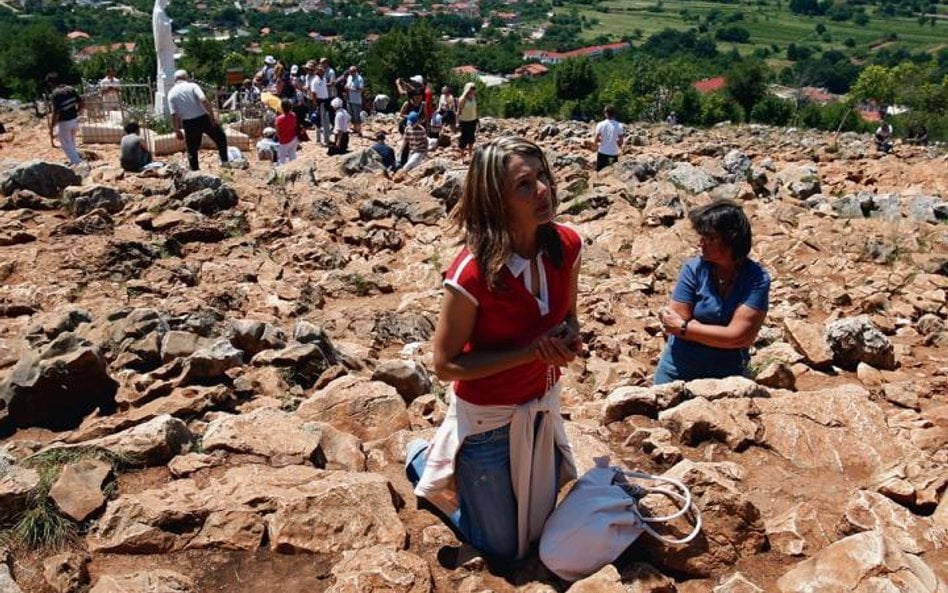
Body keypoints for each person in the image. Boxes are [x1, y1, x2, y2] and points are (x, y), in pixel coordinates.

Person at [406, 136, 582, 563]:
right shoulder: (472, 274)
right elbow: (446, 364)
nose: (543, 190)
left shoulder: (567, 245)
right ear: (495, 200)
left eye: (543, 176)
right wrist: (531, 353)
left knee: (537, 539)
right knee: (505, 551)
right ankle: (422, 461)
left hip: (540, 407)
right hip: (488, 422)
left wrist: (569, 340)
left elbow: (570, 316)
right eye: (524, 185)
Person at [654, 199, 770, 384]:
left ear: (731, 240)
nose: (701, 243)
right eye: (702, 236)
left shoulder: (756, 278)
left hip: (727, 375)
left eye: (710, 238)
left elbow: (739, 337)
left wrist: (686, 328)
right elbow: (673, 323)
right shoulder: (694, 269)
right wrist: (721, 336)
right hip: (677, 370)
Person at [167, 69, 229, 171]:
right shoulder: (193, 86)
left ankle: (195, 171)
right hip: (203, 118)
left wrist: (177, 130)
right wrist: (212, 117)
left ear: (175, 80)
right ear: (186, 77)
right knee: (220, 138)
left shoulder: (171, 93)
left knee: (192, 150)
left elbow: (173, 114)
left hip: (188, 123)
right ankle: (225, 162)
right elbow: (204, 100)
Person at [47, 72, 84, 166]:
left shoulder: (55, 94)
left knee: (66, 145)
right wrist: (77, 112)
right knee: (72, 142)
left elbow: (56, 112)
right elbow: (81, 103)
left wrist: (52, 126)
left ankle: (78, 164)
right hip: (74, 120)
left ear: (51, 83)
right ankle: (74, 160)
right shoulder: (70, 89)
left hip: (64, 122)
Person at [593, 105, 624, 171]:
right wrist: (615, 143)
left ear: (605, 113)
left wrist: (602, 140)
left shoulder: (600, 124)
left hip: (602, 153)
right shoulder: (619, 125)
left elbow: (595, 140)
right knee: (612, 173)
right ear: (614, 114)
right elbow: (621, 142)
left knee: (600, 173)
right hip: (613, 153)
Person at [457, 82, 478, 160]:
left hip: (473, 120)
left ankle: (470, 155)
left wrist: (477, 119)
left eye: (474, 88)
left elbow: (475, 109)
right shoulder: (462, 99)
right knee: (463, 139)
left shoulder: (473, 98)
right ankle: (462, 157)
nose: (473, 90)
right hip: (464, 121)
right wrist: (457, 122)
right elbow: (458, 111)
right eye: (471, 88)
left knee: (471, 138)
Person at [275, 98, 299, 164]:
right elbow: (294, 125)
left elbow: (277, 133)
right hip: (293, 138)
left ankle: (281, 173)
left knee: (281, 159)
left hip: (284, 141)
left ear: (282, 107)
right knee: (293, 157)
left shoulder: (278, 119)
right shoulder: (293, 115)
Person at [345, 65, 365, 136]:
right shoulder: (349, 77)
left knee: (357, 115)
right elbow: (347, 85)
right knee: (351, 115)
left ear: (355, 71)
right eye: (350, 72)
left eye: (352, 72)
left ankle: (359, 131)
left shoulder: (359, 79)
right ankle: (355, 129)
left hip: (356, 100)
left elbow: (361, 89)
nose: (351, 73)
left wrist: (352, 89)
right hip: (349, 99)